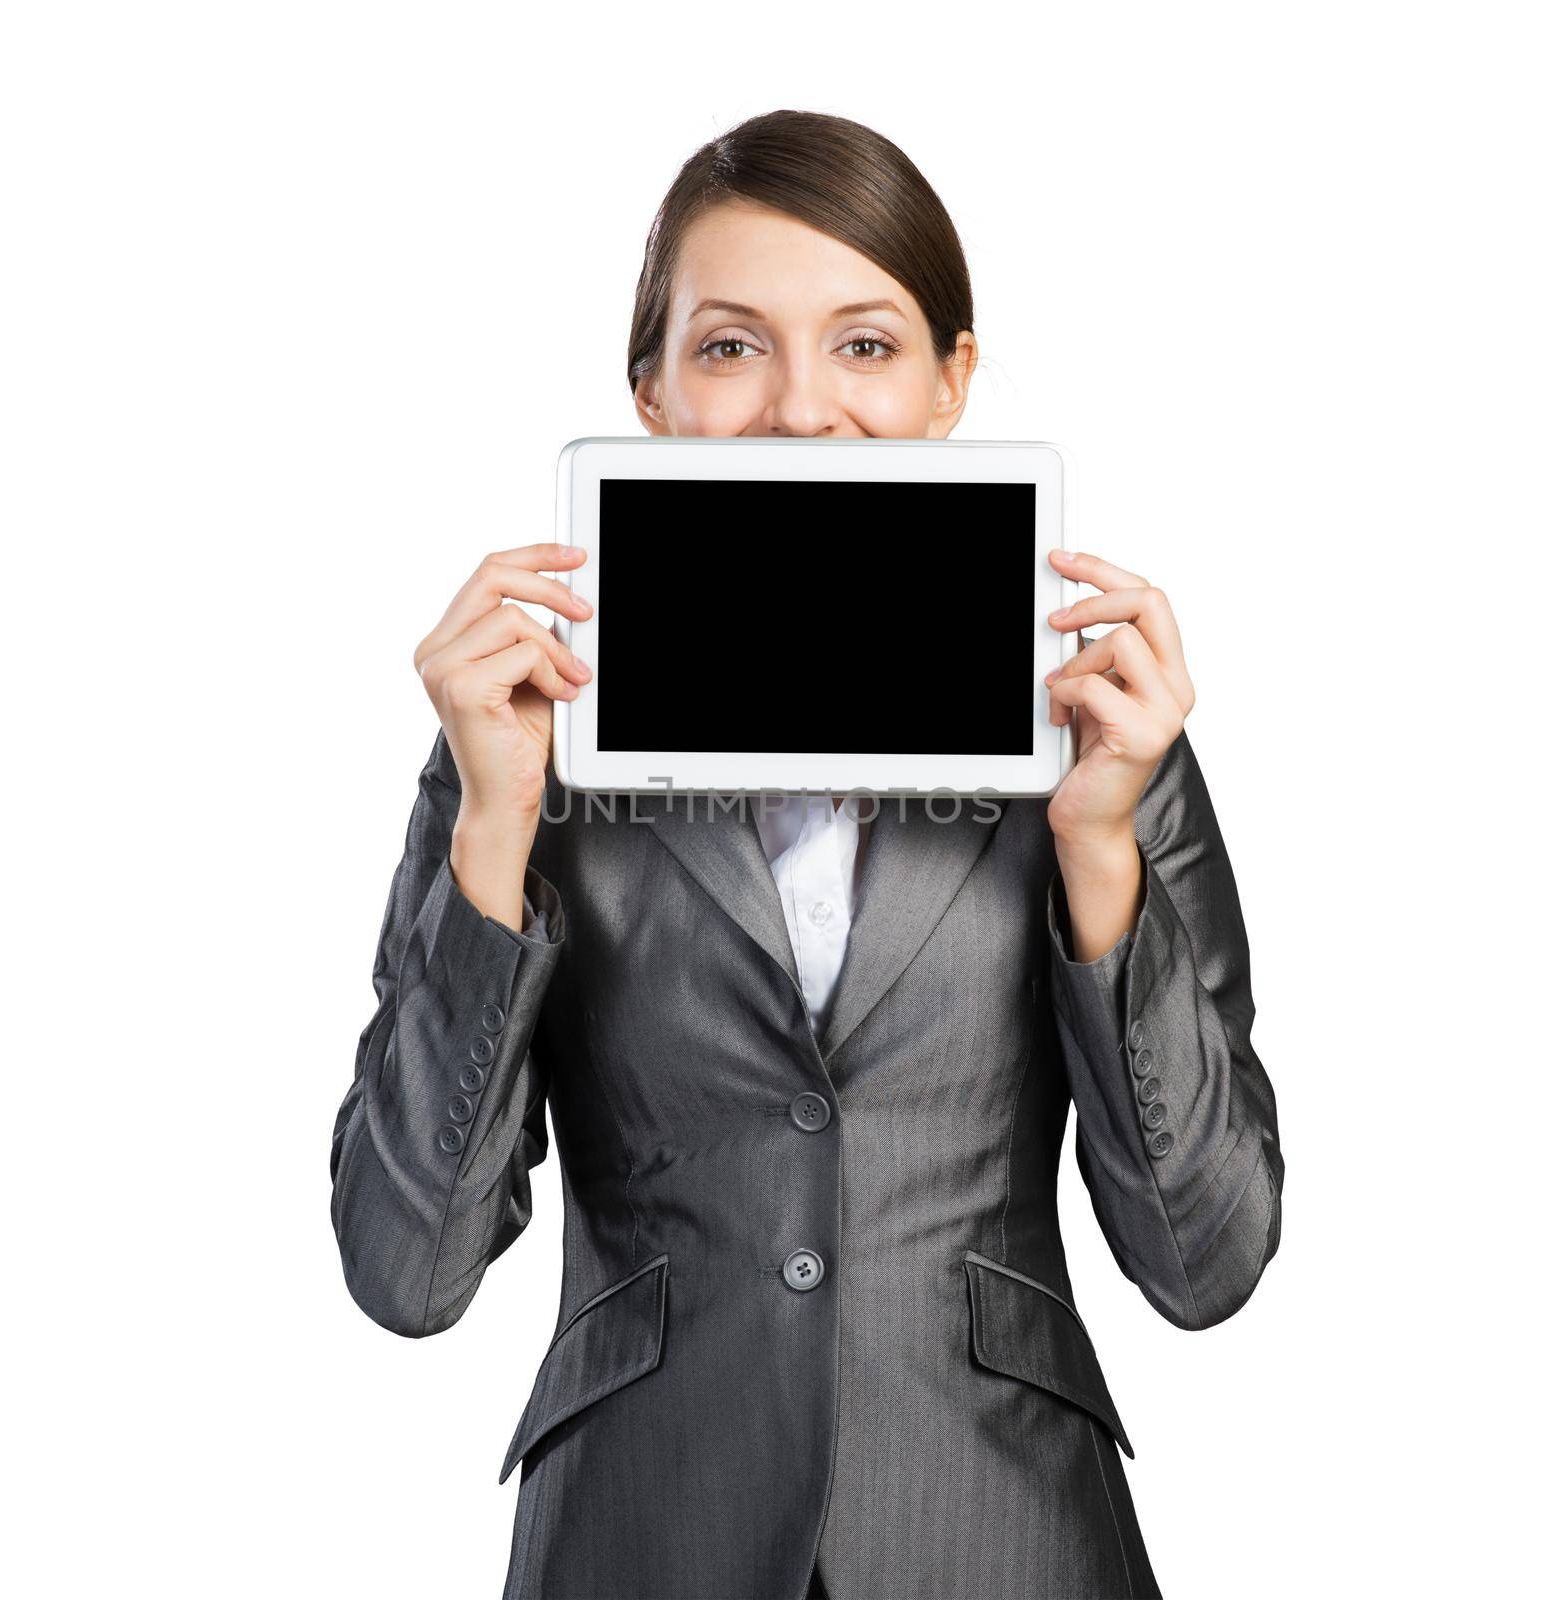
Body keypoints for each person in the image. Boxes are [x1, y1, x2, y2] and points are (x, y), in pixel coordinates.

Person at [329, 108, 1283, 1600]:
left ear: (953, 383)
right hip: (642, 1535)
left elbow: (1206, 1260)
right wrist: (496, 824)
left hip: (1001, 1532)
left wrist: (1100, 857)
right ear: (648, 393)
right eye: (726, 348)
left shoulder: (1093, 737)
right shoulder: (530, 743)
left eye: (864, 345)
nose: (798, 408)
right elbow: (407, 1272)